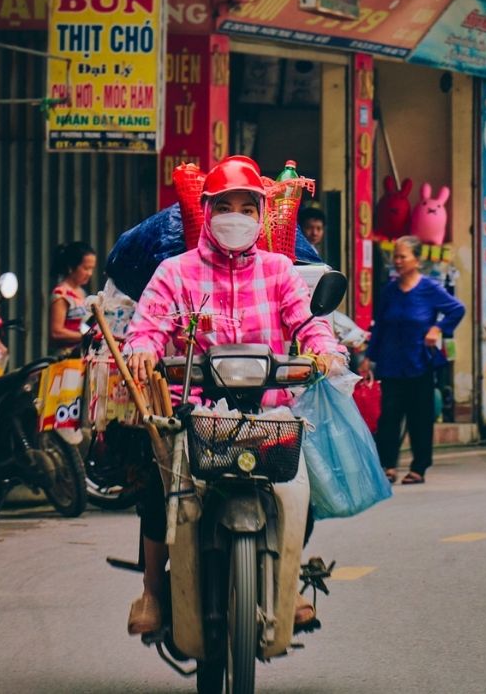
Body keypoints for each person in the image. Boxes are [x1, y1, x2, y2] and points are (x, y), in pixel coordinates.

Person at [122, 154, 343, 637]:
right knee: (161, 490)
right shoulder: (175, 273)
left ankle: (288, 584)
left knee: (301, 492)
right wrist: (141, 350)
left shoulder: (280, 271)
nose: (236, 217)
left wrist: (325, 351)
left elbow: (308, 322)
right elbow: (149, 324)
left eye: (248, 208)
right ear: (207, 210)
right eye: (226, 206)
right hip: (194, 412)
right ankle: (153, 593)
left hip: (269, 412)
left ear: (261, 216)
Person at [366, 236, 465, 485]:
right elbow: (380, 327)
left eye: (403, 257)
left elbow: (457, 309)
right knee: (388, 417)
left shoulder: (429, 289)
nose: (397, 261)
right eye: (395, 257)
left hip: (419, 363)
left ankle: (419, 467)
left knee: (419, 418)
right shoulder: (389, 291)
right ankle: (387, 465)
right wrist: (369, 357)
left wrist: (438, 329)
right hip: (391, 364)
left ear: (417, 260)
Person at [49, 242, 97, 352]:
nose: (89, 273)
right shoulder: (61, 294)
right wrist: (86, 337)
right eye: (86, 268)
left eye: (92, 269)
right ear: (71, 267)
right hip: (66, 358)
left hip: (81, 355)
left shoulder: (82, 293)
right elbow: (56, 332)